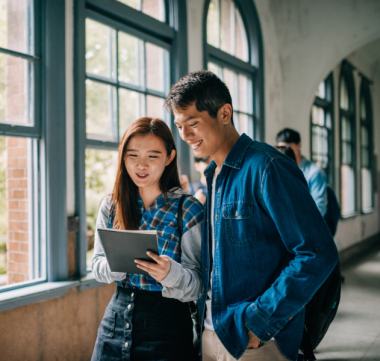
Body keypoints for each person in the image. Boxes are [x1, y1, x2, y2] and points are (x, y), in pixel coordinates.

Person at [166, 70, 339, 361]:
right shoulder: (213, 175)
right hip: (211, 334)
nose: (185, 135)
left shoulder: (267, 166)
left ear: (224, 113)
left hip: (256, 341)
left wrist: (259, 323)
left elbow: (316, 252)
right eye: (179, 126)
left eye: (192, 123)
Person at [91, 117, 204, 361]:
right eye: (133, 156)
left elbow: (199, 284)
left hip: (169, 329)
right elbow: (96, 266)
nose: (141, 166)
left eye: (152, 156)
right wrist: (116, 264)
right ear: (123, 157)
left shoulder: (188, 208)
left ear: (170, 157)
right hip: (115, 324)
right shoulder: (111, 205)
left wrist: (169, 273)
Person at [276, 128, 328, 217]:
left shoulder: (314, 173)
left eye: (287, 147)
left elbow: (319, 210)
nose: (283, 152)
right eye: (280, 148)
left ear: (299, 145)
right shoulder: (278, 172)